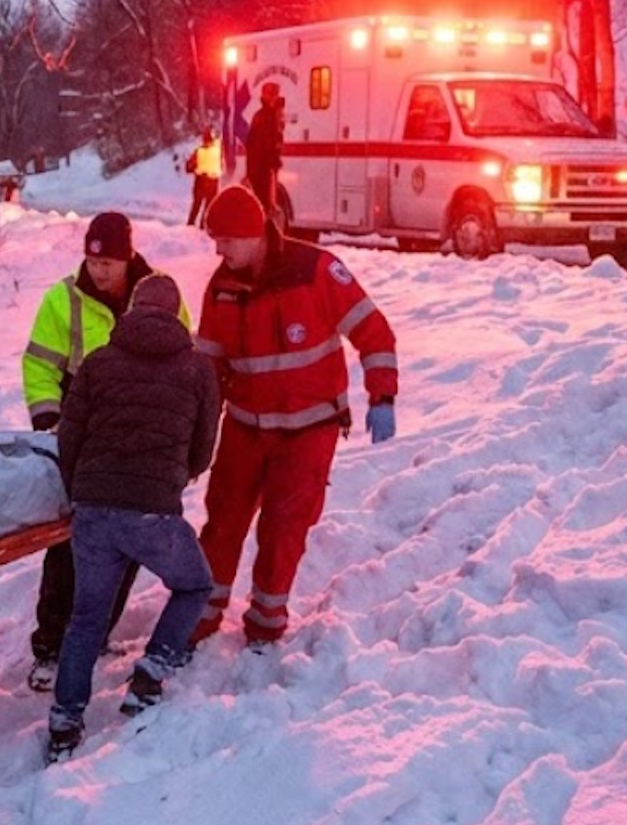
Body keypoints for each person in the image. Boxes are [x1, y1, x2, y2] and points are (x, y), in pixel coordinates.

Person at [191, 186, 398, 650]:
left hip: (308, 429)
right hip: (245, 427)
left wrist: (382, 395)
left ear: (252, 234)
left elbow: (373, 329)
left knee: (283, 529)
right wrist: (192, 428)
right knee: (222, 521)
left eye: (225, 240)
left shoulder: (318, 271)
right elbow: (207, 368)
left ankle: (266, 623)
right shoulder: (221, 288)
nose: (218, 250)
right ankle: (201, 612)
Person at [46, 275, 220, 763]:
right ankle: (150, 671)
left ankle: (64, 720)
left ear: (133, 310)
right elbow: (204, 448)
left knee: (86, 617)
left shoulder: (99, 363)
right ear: (176, 314)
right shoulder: (198, 370)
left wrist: (81, 485)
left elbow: (68, 436)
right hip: (152, 511)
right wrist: (173, 478)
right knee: (194, 585)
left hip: (94, 510)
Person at [21, 211, 193, 691]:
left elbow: (184, 363)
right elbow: (39, 366)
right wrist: (50, 423)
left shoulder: (161, 297)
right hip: (83, 437)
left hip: (142, 442)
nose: (98, 271)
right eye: (92, 261)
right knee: (67, 546)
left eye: (109, 262)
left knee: (128, 547)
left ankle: (95, 635)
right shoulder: (62, 300)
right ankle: (51, 646)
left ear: (128, 257)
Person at [245, 82, 285, 215]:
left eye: (275, 94)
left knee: (267, 206)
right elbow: (256, 147)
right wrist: (254, 173)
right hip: (263, 171)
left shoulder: (270, 116)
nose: (274, 97)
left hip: (266, 170)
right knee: (264, 207)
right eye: (272, 94)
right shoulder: (263, 117)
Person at [184, 126, 222, 229]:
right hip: (213, 182)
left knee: (196, 206)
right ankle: (203, 227)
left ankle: (190, 226)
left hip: (200, 181)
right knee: (208, 207)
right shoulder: (217, 152)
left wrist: (191, 167)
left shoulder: (198, 151)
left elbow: (189, 167)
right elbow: (222, 165)